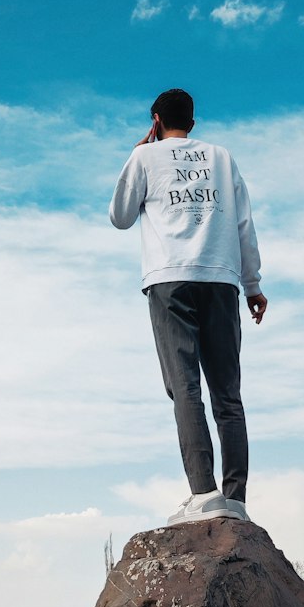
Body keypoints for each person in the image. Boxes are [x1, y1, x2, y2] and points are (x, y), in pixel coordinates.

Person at [109, 88, 267, 524]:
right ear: (193, 123)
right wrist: (252, 284)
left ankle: (203, 493)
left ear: (155, 120)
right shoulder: (221, 157)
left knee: (186, 389)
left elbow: (120, 216)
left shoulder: (145, 158)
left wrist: (140, 150)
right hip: (220, 279)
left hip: (170, 279)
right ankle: (235, 499)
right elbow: (243, 223)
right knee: (227, 395)